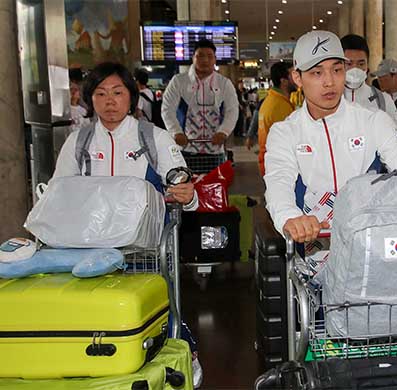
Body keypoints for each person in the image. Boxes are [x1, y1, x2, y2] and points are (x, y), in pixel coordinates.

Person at [51, 62, 203, 388]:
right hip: (90, 253)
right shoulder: (77, 143)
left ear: (131, 97)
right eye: (101, 93)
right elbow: (59, 194)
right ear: (89, 99)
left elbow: (185, 189)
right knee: (96, 318)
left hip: (144, 252)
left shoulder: (153, 139)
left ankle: (180, 355)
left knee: (155, 316)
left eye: (118, 92)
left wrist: (185, 195)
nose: (110, 101)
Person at [264, 30, 397, 248]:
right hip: (313, 250)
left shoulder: (374, 121)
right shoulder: (285, 132)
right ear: (298, 78)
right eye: (317, 73)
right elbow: (278, 183)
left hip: (371, 249)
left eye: (337, 70)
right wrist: (290, 217)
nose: (329, 82)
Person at [162, 39, 239, 171]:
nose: (205, 60)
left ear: (215, 59)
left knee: (214, 188)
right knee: (185, 188)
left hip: (215, 150)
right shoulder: (179, 81)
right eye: (200, 56)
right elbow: (167, 109)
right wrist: (176, 132)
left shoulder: (224, 83)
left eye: (210, 56)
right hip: (186, 149)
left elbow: (232, 110)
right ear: (193, 58)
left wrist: (223, 132)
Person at [340, 34, 397, 129]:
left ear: (367, 65)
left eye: (361, 63)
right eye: (349, 63)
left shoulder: (382, 100)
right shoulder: (327, 99)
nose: (355, 69)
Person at [254, 61, 296, 175]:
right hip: (279, 167)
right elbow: (289, 142)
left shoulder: (272, 100)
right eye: (293, 75)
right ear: (283, 81)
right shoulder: (279, 106)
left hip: (269, 163)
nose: (298, 78)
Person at [69, 69, 89, 134]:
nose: (73, 92)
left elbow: (87, 126)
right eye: (71, 89)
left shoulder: (83, 110)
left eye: (76, 89)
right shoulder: (67, 110)